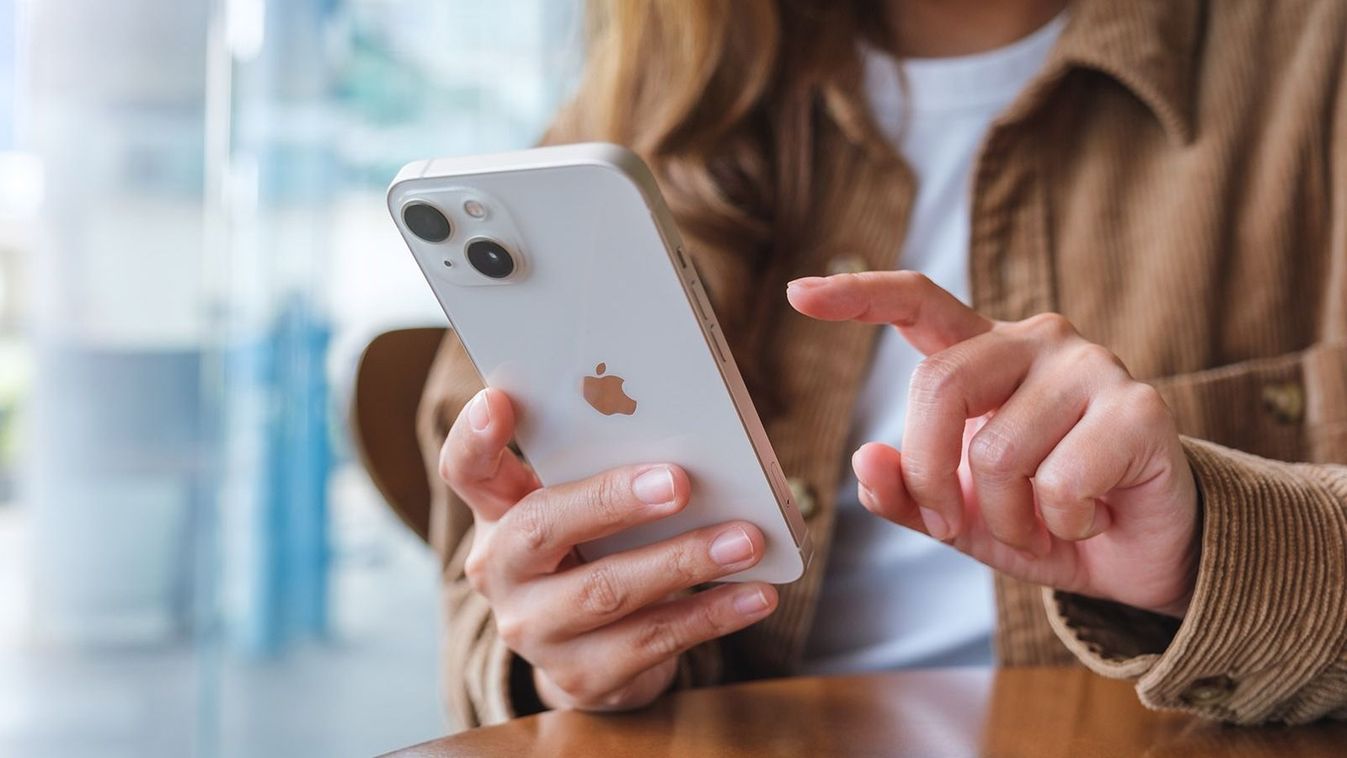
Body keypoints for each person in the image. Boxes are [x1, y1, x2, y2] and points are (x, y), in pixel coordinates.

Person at [417, 0, 1347, 728]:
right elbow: (481, 595)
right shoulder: (631, 118)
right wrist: (562, 654)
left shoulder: (1311, 69)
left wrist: (1208, 550)